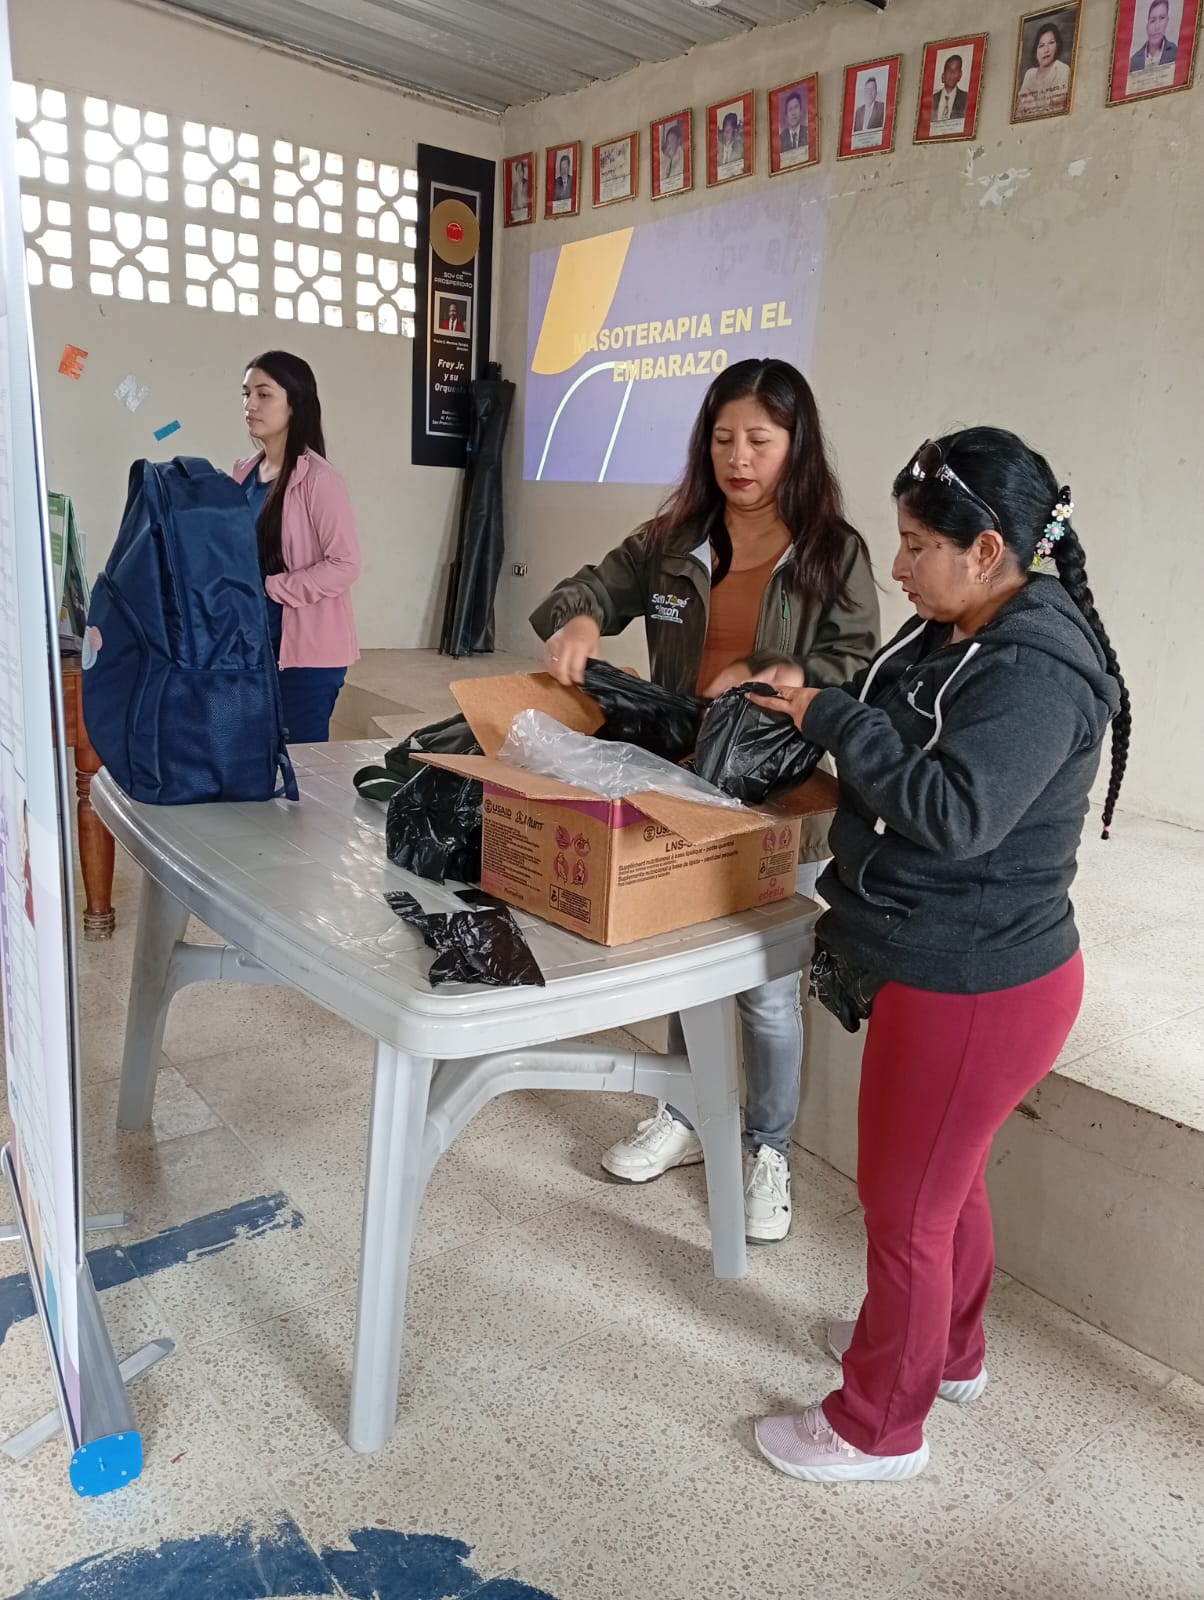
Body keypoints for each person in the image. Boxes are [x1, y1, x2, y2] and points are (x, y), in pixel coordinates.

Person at [747, 427, 1128, 1482]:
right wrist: (807, 717)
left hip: (975, 980)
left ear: (988, 549)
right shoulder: (961, 626)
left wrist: (834, 718)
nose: (900, 566)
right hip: (963, 964)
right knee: (944, 1189)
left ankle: (877, 1426)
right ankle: (948, 1351)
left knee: (906, 1210)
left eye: (918, 545)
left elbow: (955, 813)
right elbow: (895, 743)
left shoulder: (1036, 671)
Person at [531, 358, 879, 1242]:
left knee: (764, 989)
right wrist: (580, 617)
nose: (739, 458)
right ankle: (686, 1115)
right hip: (684, 783)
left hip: (773, 792)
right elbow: (592, 587)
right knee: (689, 961)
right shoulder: (674, 537)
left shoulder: (832, 552)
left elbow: (853, 663)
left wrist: (778, 671)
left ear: (796, 445)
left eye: (760, 439)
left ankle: (768, 1148)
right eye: (724, 438)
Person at [235, 352, 361, 744]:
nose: (250, 405)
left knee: (301, 766)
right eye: (246, 394)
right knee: (252, 758)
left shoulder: (320, 479)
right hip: (252, 647)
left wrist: (272, 587)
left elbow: (345, 564)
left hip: (307, 657)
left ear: (294, 404)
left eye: (264, 394)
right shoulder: (242, 474)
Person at [1017, 22, 1072, 117]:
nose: (1046, 50)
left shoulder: (1063, 69)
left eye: (1051, 43)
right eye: (1041, 45)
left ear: (1057, 46)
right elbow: (1019, 113)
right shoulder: (1029, 74)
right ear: (1036, 51)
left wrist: (1032, 107)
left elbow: (1058, 110)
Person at [1130, 0, 1177, 72]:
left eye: (1162, 18)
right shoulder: (1134, 61)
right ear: (1147, 26)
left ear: (1167, 21)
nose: (1157, 27)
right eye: (1153, 21)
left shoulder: (1175, 52)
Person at [931, 54, 968, 126]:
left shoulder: (967, 99)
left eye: (955, 70)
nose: (952, 73)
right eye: (949, 70)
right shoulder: (932, 99)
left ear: (960, 75)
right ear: (943, 75)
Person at [778, 89, 809, 165]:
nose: (793, 113)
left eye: (796, 107)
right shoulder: (780, 139)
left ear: (801, 110)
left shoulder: (808, 132)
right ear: (786, 115)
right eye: (790, 109)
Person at [716, 111, 744, 175]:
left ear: (735, 130)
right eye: (724, 131)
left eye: (728, 131)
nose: (725, 134)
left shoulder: (740, 148)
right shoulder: (717, 146)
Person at [660, 121, 685, 190]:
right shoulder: (669, 157)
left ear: (679, 140)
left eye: (672, 140)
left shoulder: (681, 156)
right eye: (668, 141)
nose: (669, 144)